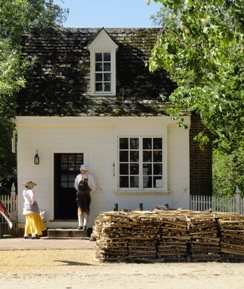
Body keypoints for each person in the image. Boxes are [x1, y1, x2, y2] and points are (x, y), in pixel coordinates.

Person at [74, 164, 96, 230]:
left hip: (87, 196)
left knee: (86, 210)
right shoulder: (78, 177)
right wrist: (80, 191)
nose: (82, 171)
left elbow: (94, 186)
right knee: (80, 210)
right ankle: (80, 225)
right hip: (80, 195)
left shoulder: (90, 177)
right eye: (81, 170)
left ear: (86, 170)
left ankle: (85, 225)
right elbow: (75, 186)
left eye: (83, 170)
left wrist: (88, 192)